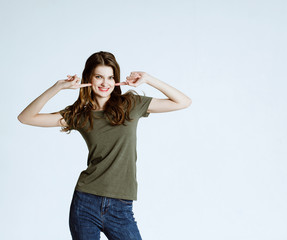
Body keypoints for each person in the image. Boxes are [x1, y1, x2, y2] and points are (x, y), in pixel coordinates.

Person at [17, 51, 192, 240]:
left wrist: (148, 79)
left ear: (116, 80)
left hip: (121, 207)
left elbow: (183, 101)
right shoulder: (79, 115)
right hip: (85, 203)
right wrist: (57, 87)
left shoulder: (131, 104)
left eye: (110, 77)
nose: (104, 83)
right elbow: (26, 118)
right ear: (88, 79)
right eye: (99, 77)